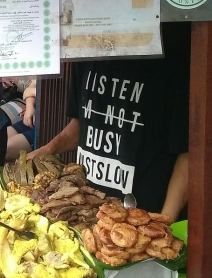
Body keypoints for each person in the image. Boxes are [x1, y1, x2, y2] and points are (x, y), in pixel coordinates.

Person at [27, 24, 190, 220]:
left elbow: (188, 155)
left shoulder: (171, 67)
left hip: (141, 216)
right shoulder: (86, 56)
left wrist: (165, 222)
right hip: (87, 206)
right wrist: (47, 150)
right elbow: (84, 124)